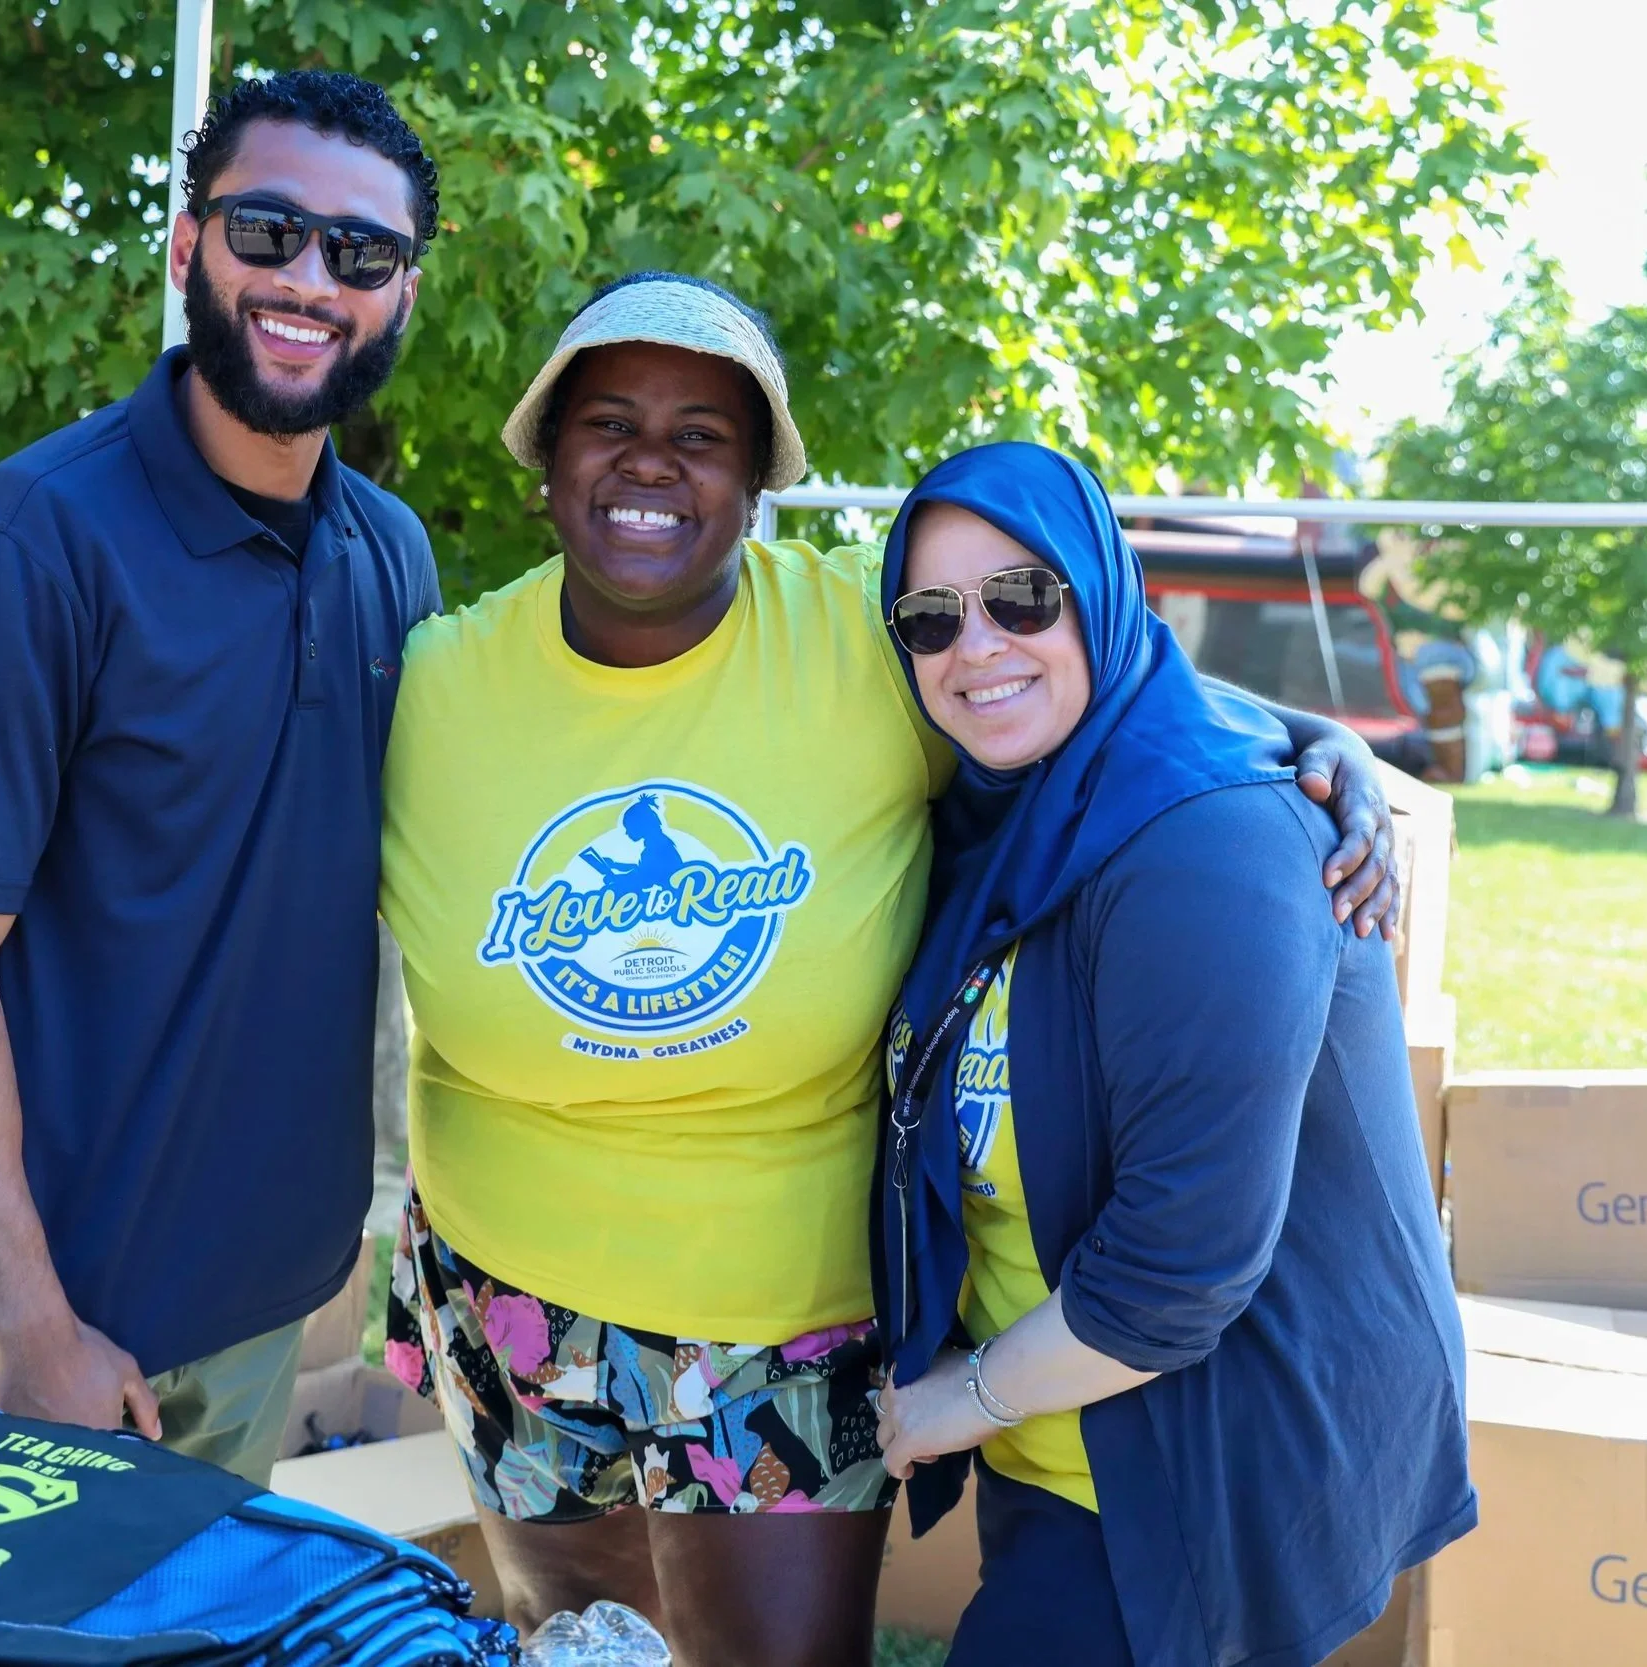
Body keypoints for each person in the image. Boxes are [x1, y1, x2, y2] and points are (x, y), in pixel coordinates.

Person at [377, 272, 1402, 1665]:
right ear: (545, 460)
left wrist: (1311, 742)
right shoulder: (434, 677)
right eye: (607, 421)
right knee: (579, 1648)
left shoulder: (869, 649)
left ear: (757, 484)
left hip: (780, 1314)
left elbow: (1086, 682)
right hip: (504, 1290)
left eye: (705, 433)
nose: (650, 462)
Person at [0, 71, 441, 1482]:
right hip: (53, 1325)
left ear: (401, 291)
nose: (308, 279)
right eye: (266, 230)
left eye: (359, 253)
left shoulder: (392, 554)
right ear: (186, 246)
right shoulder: (27, 543)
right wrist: (28, 1318)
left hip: (264, 1298)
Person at [870, 444, 1474, 1667]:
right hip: (1059, 1429)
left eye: (1023, 598)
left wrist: (953, 1401)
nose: (974, 644)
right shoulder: (1015, 808)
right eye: (930, 618)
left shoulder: (1211, 846)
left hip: (1197, 1455)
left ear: (1101, 590)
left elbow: (1177, 1269)